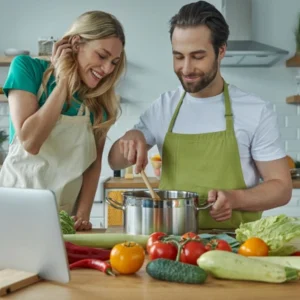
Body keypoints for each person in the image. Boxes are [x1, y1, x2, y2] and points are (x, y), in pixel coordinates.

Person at [108, 1, 292, 229]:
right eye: (178, 56)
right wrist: (131, 135)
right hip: (171, 243)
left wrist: (236, 199)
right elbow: (114, 160)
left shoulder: (254, 110)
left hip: (237, 245)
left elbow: (281, 188)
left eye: (197, 56)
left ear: (221, 51)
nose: (186, 68)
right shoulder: (163, 107)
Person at [0, 11, 126, 231]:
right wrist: (64, 83)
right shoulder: (27, 68)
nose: (107, 69)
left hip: (63, 219)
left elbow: (93, 165)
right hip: (14, 212)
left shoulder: (101, 101)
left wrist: (83, 215)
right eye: (101, 56)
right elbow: (30, 142)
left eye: (114, 62)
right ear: (76, 44)